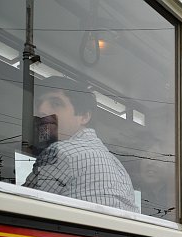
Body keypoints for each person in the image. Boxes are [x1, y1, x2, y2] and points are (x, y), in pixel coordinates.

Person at [23, 76, 138, 212]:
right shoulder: (118, 166)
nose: (41, 110)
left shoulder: (61, 152)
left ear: (84, 116)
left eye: (55, 104)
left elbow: (22, 205)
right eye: (38, 104)